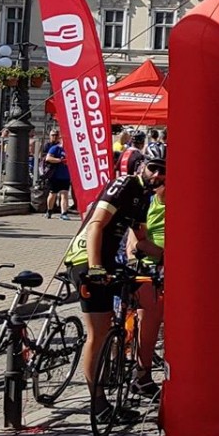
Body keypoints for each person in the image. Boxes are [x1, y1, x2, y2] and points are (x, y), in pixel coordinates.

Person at [65, 143, 167, 416]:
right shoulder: (124, 185)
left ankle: (133, 379)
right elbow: (96, 225)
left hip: (109, 260)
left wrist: (171, 258)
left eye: (163, 171)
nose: (157, 175)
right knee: (98, 333)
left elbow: (141, 241)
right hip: (86, 259)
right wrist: (96, 268)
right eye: (153, 168)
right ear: (142, 166)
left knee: (124, 318)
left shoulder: (144, 197)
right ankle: (98, 404)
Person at [41, 129, 72, 219]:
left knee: (64, 194)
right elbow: (48, 158)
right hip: (55, 175)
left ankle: (64, 213)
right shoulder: (55, 148)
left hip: (66, 175)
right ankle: (49, 211)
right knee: (52, 194)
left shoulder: (70, 150)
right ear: (61, 139)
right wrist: (60, 160)